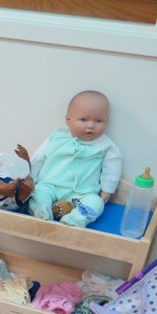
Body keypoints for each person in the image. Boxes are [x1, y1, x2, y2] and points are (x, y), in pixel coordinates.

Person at [26, 90, 123, 227]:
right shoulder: (56, 137)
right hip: (50, 185)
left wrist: (108, 189)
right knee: (38, 194)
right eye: (84, 119)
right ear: (68, 119)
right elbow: (38, 159)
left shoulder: (105, 145)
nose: (91, 125)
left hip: (83, 194)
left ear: (106, 121)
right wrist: (30, 179)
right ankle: (43, 215)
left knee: (97, 203)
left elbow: (113, 166)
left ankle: (75, 220)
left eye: (99, 121)